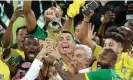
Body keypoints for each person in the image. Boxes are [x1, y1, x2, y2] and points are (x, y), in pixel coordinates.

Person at [43, 48, 122, 80]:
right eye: (99, 57)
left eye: (104, 59)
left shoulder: (103, 73)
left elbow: (69, 78)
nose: (99, 61)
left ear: (112, 63)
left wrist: (54, 62)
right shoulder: (116, 75)